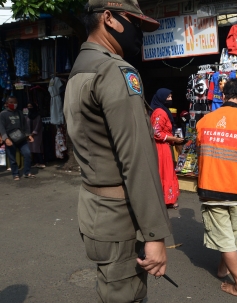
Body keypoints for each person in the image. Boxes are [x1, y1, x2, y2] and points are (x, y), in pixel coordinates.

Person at [63, 1, 171, 301]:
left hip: (95, 213)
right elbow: (138, 159)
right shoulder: (113, 70)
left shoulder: (80, 70)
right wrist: (154, 235)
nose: (139, 33)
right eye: (135, 23)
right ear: (108, 18)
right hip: (119, 218)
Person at [196, 78, 237, 298]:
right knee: (231, 236)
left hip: (212, 189)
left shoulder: (204, 121)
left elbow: (201, 149)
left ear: (223, 96)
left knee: (226, 238)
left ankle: (226, 270)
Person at [150, 88, 182, 209]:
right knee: (165, 172)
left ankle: (165, 198)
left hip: (164, 146)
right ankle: (167, 200)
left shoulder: (161, 110)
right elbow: (156, 132)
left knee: (164, 171)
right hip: (161, 147)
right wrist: (172, 138)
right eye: (168, 97)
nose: (170, 99)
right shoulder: (160, 112)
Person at [0, 97, 35, 180]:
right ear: (7, 103)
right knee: (12, 158)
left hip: (21, 138)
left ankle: (27, 172)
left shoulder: (19, 113)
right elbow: (1, 127)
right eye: (12, 102)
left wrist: (28, 135)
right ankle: (15, 173)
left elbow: (25, 125)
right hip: (10, 139)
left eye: (15, 102)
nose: (14, 104)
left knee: (27, 153)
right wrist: (6, 138)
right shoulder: (3, 114)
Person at [26, 102, 46, 168]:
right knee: (32, 150)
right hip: (29, 135)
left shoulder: (38, 116)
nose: (29, 108)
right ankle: (36, 162)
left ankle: (42, 162)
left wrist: (33, 133)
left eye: (31, 106)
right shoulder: (27, 116)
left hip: (37, 136)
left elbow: (38, 125)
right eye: (28, 106)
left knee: (38, 149)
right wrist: (28, 134)